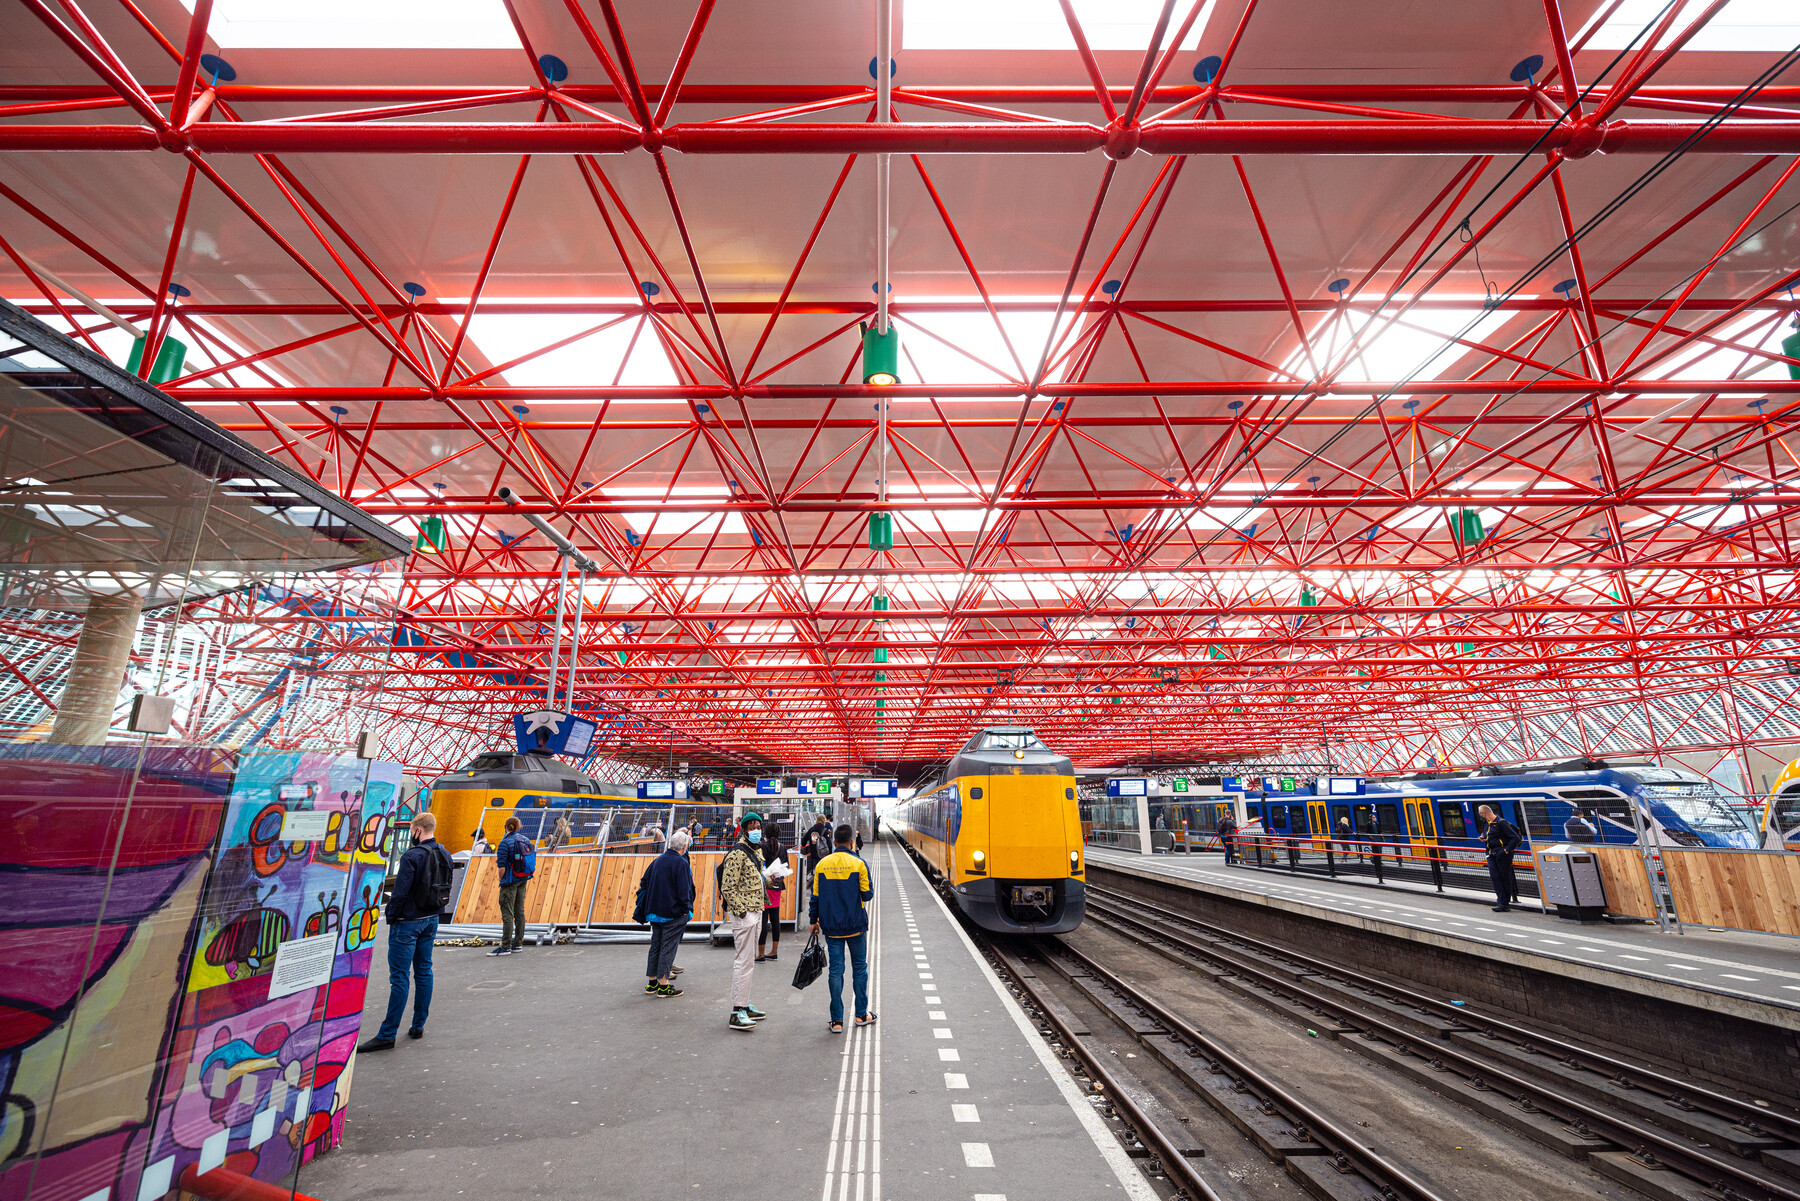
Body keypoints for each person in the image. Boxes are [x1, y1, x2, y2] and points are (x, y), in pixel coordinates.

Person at [359, 812, 452, 1052]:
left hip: (408, 922)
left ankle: (388, 1034)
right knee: (424, 971)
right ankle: (418, 1025)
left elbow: (399, 892)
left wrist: (391, 916)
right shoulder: (445, 853)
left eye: (411, 831)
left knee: (399, 977)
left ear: (417, 830)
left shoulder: (412, 856)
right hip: (431, 919)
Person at [810, 822, 875, 1034]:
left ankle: (837, 1021)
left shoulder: (822, 864)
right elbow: (867, 895)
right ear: (852, 842)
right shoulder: (859, 864)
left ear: (834, 842)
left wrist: (813, 921)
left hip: (831, 927)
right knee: (860, 968)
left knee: (836, 971)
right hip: (856, 926)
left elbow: (815, 898)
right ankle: (861, 1014)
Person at [720, 811, 769, 1032]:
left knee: (749, 962)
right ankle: (736, 1012)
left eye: (758, 826)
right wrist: (741, 912)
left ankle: (744, 1005)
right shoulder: (737, 854)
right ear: (745, 829)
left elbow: (753, 880)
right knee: (743, 962)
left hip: (755, 911)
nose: (756, 830)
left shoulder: (754, 852)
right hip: (745, 914)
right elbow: (727, 887)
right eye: (752, 826)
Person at [642, 828, 695, 997]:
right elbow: (684, 890)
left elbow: (644, 881)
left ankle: (652, 983)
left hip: (654, 910)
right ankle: (664, 985)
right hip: (672, 912)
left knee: (655, 946)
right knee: (667, 947)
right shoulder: (681, 863)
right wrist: (686, 910)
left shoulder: (658, 861)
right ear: (684, 846)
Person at [492, 815, 533, 955]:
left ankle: (505, 946)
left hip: (510, 881)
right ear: (518, 827)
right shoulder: (525, 840)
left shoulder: (505, 843)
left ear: (506, 827)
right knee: (519, 912)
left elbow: (501, 867)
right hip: (523, 878)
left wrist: (501, 880)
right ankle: (518, 944)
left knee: (507, 913)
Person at [1478, 804, 1524, 912]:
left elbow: (1515, 838)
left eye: (1480, 814)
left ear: (1483, 813)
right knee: (1495, 877)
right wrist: (1483, 836)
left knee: (1504, 877)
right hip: (1490, 853)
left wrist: (1507, 850)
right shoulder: (1486, 822)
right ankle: (1500, 901)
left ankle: (1504, 904)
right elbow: (1485, 833)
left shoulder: (1501, 823)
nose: (1481, 816)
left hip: (1502, 854)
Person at [757, 819, 789, 963]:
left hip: (765, 887)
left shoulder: (762, 847)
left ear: (765, 833)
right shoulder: (782, 848)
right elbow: (785, 866)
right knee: (775, 919)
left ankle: (761, 954)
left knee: (763, 920)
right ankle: (774, 952)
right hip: (778, 886)